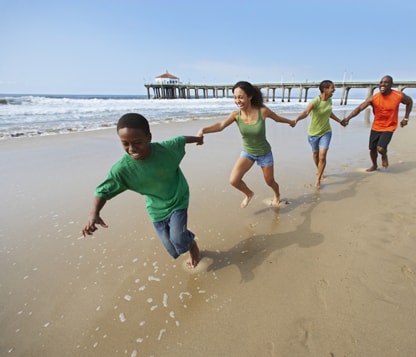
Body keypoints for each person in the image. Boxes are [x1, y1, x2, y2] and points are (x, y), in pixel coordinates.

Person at [81, 113, 203, 268]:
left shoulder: (166, 149)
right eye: (125, 144)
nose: (132, 148)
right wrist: (94, 214)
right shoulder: (123, 169)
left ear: (149, 137)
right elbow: (103, 191)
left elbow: (181, 140)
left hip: (178, 198)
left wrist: (199, 139)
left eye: (137, 142)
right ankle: (183, 236)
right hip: (156, 208)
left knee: (179, 240)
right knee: (173, 250)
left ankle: (191, 245)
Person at [197, 81, 295, 208]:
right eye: (235, 97)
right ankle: (249, 194)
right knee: (234, 180)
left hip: (264, 153)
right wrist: (202, 130)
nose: (238, 101)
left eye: (241, 97)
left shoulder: (262, 111)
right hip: (248, 152)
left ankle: (277, 195)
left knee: (270, 181)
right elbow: (221, 125)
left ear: (250, 97)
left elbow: (277, 118)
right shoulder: (235, 115)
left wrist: (290, 122)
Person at [341, 75, 413, 171]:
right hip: (376, 126)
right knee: (372, 149)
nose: (383, 84)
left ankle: (384, 155)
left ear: (391, 85)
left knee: (381, 148)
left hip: (389, 126)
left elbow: (409, 102)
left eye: (386, 82)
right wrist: (348, 118)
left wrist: (406, 118)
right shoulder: (374, 98)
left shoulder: (398, 96)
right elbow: (360, 108)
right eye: (381, 82)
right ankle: (374, 165)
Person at [294, 80, 345, 187]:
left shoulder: (330, 100)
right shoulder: (315, 101)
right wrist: (296, 120)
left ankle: (318, 178)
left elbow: (329, 113)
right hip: (313, 133)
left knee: (322, 156)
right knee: (316, 154)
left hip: (326, 132)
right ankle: (319, 170)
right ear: (325, 89)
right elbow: (306, 112)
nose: (334, 90)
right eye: (332, 88)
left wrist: (339, 121)